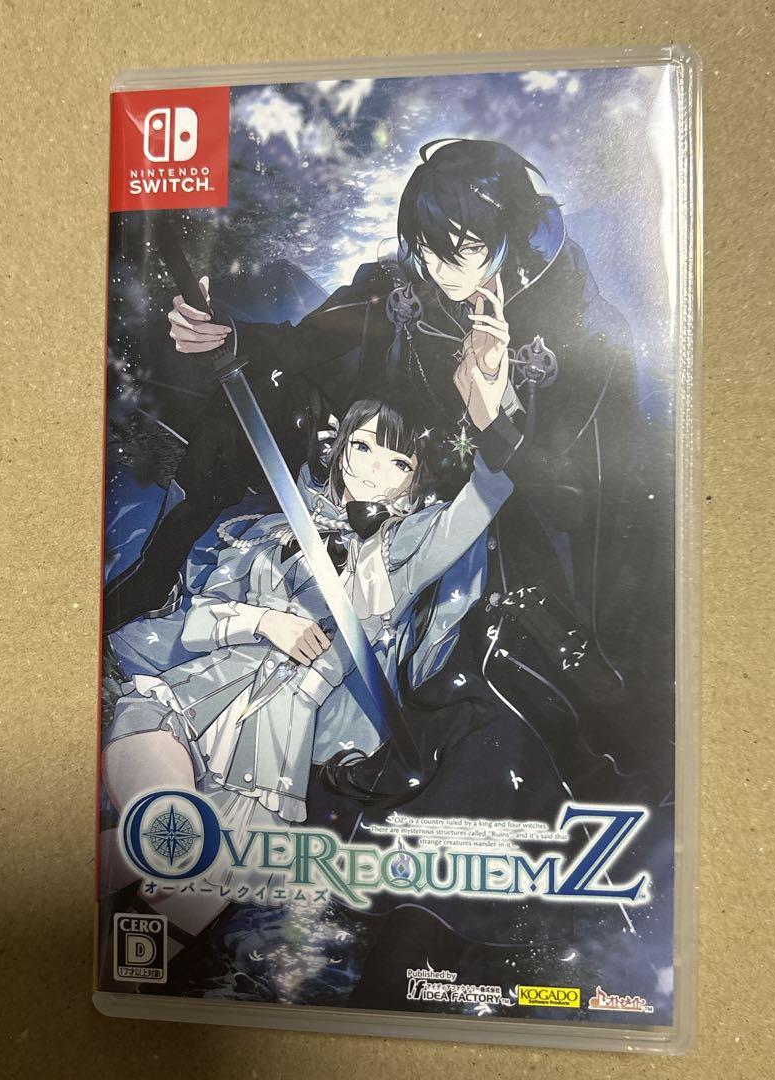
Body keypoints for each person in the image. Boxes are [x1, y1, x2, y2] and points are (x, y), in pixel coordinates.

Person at [105, 137, 667, 792]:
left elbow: (574, 497)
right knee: (265, 404)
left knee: (520, 671)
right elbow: (311, 340)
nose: (439, 270)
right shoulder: (406, 283)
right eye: (426, 248)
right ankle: (157, 581)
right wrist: (231, 333)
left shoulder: (581, 328)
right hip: (387, 459)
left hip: (499, 504)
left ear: (505, 234)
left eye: (460, 250)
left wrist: (494, 423)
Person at [102, 358, 517, 939]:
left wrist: (495, 415)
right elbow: (197, 623)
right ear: (341, 448)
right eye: (365, 447)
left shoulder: (402, 558)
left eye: (398, 462)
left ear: (414, 478)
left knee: (172, 915)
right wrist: (264, 621)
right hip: (189, 707)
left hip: (270, 763)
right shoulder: (274, 530)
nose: (375, 470)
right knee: (164, 839)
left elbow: (486, 493)